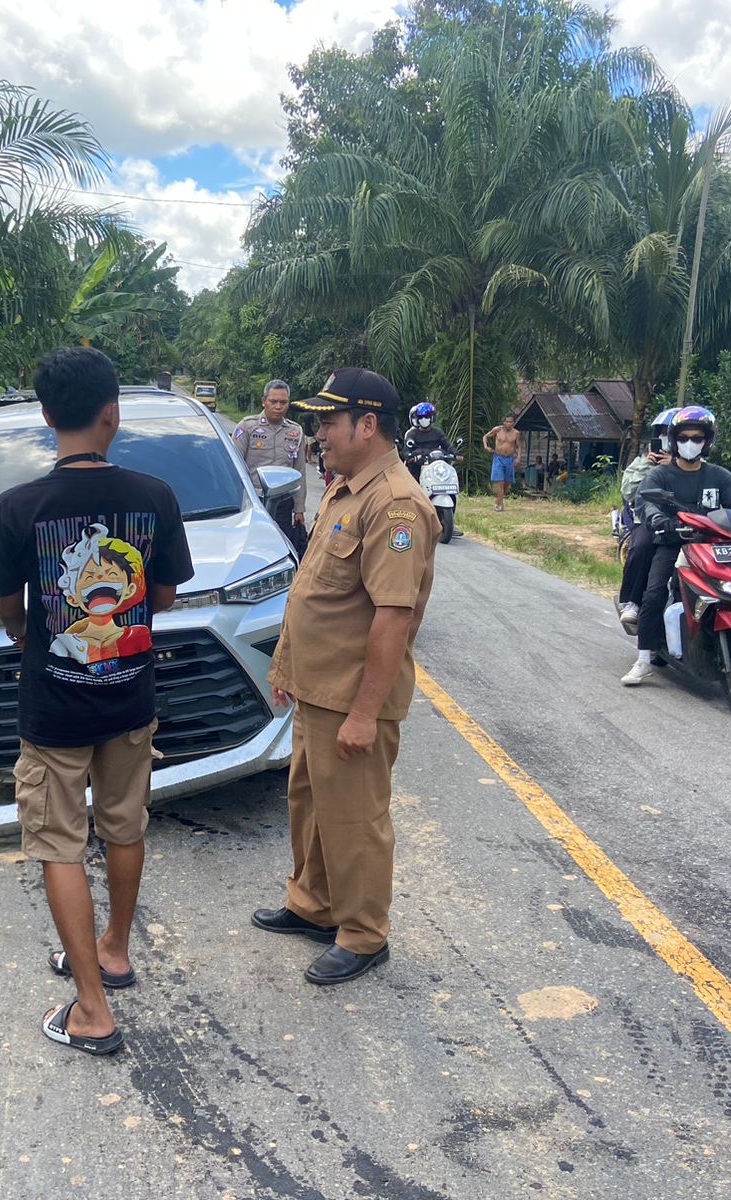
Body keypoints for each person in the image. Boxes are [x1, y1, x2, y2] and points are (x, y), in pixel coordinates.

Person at [0, 346, 193, 1056]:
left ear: (45, 416)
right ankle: (116, 951)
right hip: (130, 701)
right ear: (112, 413)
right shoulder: (155, 497)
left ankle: (92, 1011)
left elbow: (12, 609)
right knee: (125, 825)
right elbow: (161, 596)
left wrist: (32, 633)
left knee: (58, 842)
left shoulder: (16, 508)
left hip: (53, 711)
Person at [254, 368, 440, 985]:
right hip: (316, 688)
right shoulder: (345, 488)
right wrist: (285, 664)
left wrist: (365, 713)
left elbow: (394, 618)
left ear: (367, 424)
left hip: (351, 697)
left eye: (328, 422)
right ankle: (314, 905)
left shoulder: (395, 504)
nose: (317, 433)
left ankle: (363, 933)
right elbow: (312, 589)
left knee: (355, 817)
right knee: (309, 803)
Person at [622, 405, 731, 686]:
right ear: (674, 441)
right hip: (673, 542)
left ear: (707, 442)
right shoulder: (660, 475)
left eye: (697, 438)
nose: (690, 443)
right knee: (653, 594)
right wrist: (659, 520)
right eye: (685, 438)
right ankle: (643, 658)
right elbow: (645, 501)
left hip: (714, 546)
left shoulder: (720, 476)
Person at [615, 407, 678, 628]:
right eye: (662, 433)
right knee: (641, 547)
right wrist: (648, 466)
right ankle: (632, 600)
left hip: (690, 523)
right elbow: (629, 492)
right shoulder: (643, 463)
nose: (665, 438)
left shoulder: (699, 467)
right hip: (650, 521)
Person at [233, 379, 308, 547]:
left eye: (283, 402)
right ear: (264, 401)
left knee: (280, 547)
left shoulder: (295, 431)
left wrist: (299, 507)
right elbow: (234, 467)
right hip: (253, 500)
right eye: (273, 401)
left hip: (283, 501)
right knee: (250, 545)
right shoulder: (247, 427)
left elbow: (300, 471)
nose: (278, 406)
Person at [401, 402, 455, 482]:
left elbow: (447, 445)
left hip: (436, 469)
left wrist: (455, 453)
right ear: (417, 419)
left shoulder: (438, 432)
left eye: (426, 417)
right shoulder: (411, 434)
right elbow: (406, 451)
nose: (424, 419)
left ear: (431, 418)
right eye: (421, 417)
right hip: (416, 472)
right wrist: (412, 457)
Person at [482, 415, 523, 511]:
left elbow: (518, 446)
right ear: (503, 422)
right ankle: (501, 505)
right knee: (500, 481)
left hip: (509, 458)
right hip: (498, 457)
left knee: (507, 483)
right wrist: (486, 446)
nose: (508, 424)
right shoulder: (497, 430)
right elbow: (485, 436)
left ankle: (498, 499)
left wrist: (518, 457)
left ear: (513, 423)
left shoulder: (516, 433)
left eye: (511, 422)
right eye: (507, 422)